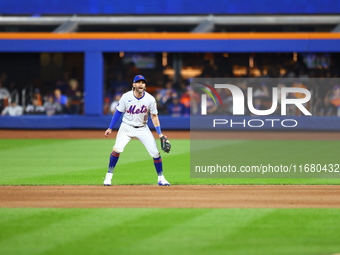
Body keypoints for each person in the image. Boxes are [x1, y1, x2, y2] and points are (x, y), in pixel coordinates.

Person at [103, 74, 170, 186]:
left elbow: (154, 116)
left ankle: (161, 178)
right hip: (126, 127)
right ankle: (108, 176)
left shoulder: (150, 99)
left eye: (143, 82)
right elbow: (118, 112)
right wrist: (110, 127)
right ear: (134, 84)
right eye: (138, 82)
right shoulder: (126, 97)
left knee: (155, 153)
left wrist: (160, 134)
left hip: (143, 128)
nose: (141, 84)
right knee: (117, 149)